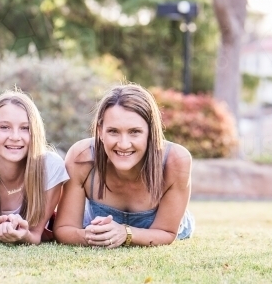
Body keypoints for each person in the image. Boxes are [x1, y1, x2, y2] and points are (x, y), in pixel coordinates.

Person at [54, 84, 194, 248]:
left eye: (135, 131)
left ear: (151, 132)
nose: (123, 144)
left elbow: (167, 233)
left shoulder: (175, 160)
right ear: (100, 131)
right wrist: (90, 236)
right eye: (113, 131)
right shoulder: (82, 158)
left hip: (168, 226)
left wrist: (125, 233)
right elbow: (64, 229)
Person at [0, 90, 68, 244]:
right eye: (4, 127)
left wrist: (24, 234)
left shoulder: (51, 166)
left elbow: (35, 236)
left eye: (25, 128)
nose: (15, 137)